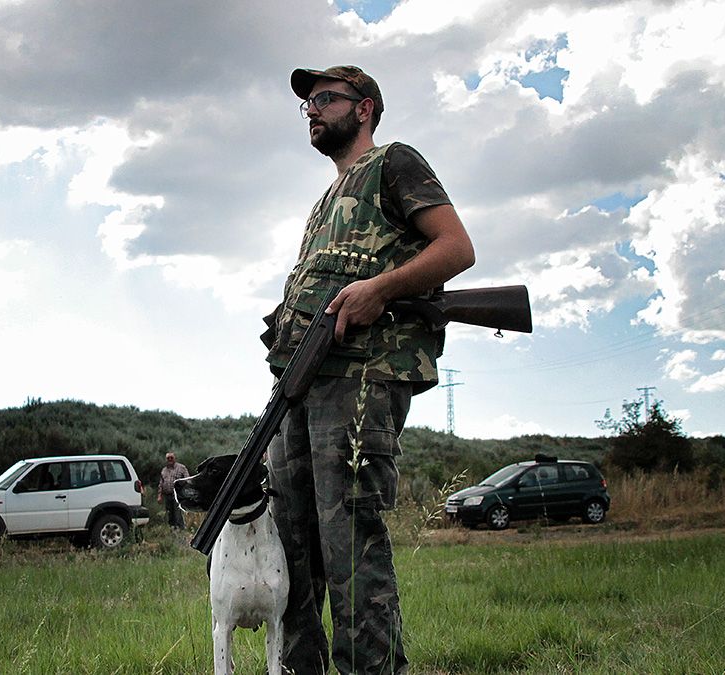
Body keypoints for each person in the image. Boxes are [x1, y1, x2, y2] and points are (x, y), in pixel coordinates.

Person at [264, 65, 475, 675]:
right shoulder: (324, 201)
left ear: (365, 108)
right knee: (292, 546)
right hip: (301, 386)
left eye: (326, 98)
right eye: (306, 101)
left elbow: (456, 247)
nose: (311, 108)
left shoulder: (394, 164)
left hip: (363, 379)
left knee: (350, 544)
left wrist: (378, 289)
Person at [157, 452, 190, 528]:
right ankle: (172, 529)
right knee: (169, 513)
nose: (170, 459)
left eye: (171, 458)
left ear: (175, 458)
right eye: (168, 458)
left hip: (178, 494)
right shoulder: (164, 470)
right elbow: (161, 483)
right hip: (167, 495)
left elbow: (187, 479)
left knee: (177, 513)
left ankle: (180, 529)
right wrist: (159, 495)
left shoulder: (181, 468)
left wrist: (185, 492)